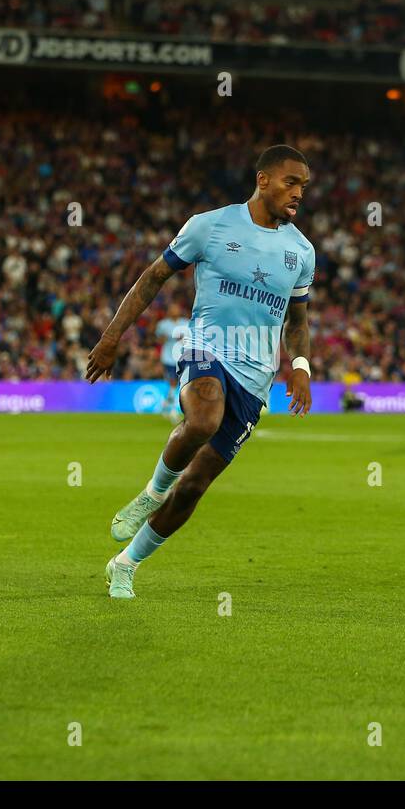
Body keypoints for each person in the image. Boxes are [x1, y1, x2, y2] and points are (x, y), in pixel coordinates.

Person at [86, 145, 317, 599]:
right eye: (291, 182)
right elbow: (153, 277)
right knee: (203, 419)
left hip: (256, 376)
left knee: (193, 486)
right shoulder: (209, 225)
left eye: (304, 187)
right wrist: (112, 337)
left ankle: (125, 564)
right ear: (263, 180)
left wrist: (302, 367)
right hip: (206, 348)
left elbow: (299, 321)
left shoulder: (301, 251)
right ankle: (150, 495)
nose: (298, 194)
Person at [154, 303, 191, 421]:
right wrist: (163, 339)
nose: (174, 310)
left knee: (178, 384)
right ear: (168, 311)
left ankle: (165, 405)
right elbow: (158, 339)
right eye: (172, 308)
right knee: (173, 383)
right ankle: (174, 410)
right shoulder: (162, 325)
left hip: (182, 357)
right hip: (168, 358)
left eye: (176, 308)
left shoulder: (186, 322)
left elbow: (192, 337)